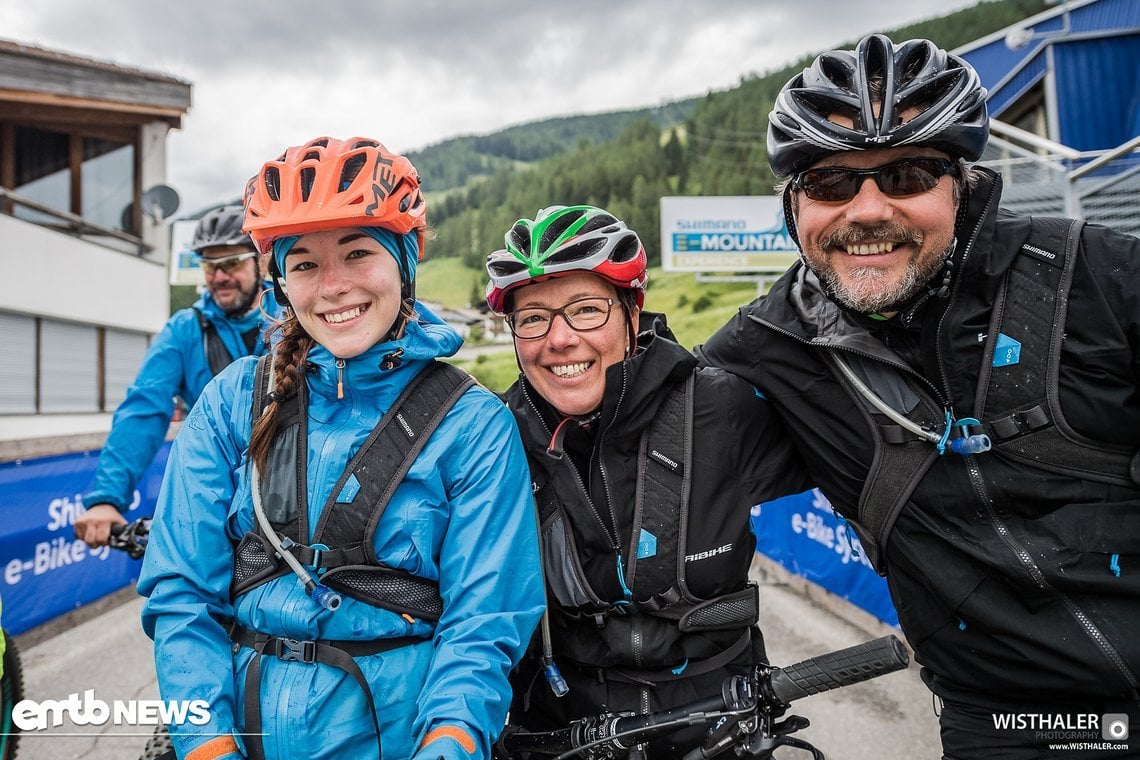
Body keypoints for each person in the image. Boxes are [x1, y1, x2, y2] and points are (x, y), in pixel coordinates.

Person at [697, 33, 1140, 758]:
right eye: (831, 184)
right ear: (793, 205)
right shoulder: (765, 348)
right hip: (1003, 723)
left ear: (959, 188)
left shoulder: (1099, 275)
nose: (867, 209)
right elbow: (630, 438)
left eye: (906, 175)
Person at [137, 136, 544, 760]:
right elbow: (182, 596)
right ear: (280, 283)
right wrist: (206, 745)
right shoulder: (231, 403)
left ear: (405, 263)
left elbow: (484, 626)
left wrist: (450, 745)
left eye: (358, 254)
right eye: (303, 264)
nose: (332, 286)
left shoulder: (473, 425)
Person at [484, 205, 804, 756]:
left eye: (586, 310)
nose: (558, 339)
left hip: (720, 724)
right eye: (532, 318)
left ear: (633, 311)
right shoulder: (493, 436)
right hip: (557, 732)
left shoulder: (722, 406)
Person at [76, 204, 273, 548]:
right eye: (210, 267)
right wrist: (106, 499)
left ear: (260, 263)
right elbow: (144, 409)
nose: (219, 277)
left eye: (230, 264)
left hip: (292, 488)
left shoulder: (294, 315)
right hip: (215, 492)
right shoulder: (185, 329)